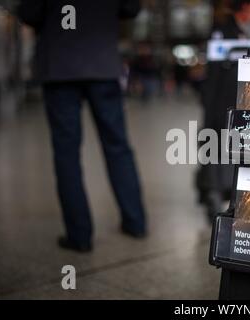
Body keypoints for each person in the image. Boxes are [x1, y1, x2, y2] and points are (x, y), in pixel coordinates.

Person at [17, 0, 148, 252]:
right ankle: (135, 222)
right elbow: (131, 7)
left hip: (60, 65)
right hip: (102, 63)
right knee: (117, 146)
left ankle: (79, 236)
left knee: (67, 153)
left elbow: (29, 12)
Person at [197, 0, 250, 221]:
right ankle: (213, 197)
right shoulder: (221, 32)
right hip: (220, 103)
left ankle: (236, 197)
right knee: (215, 151)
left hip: (247, 104)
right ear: (243, 7)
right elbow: (212, 77)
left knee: (241, 152)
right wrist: (208, 106)